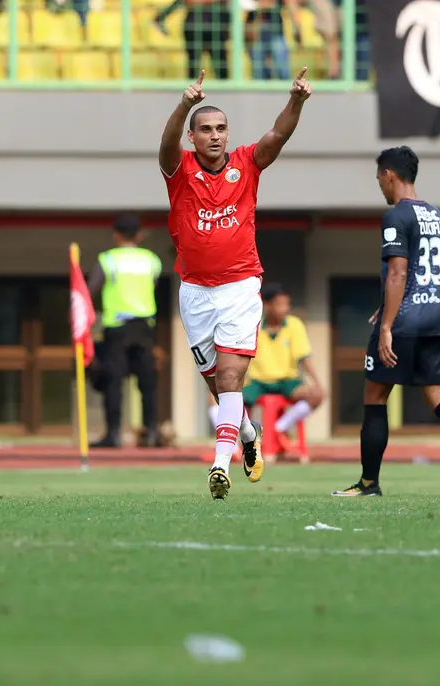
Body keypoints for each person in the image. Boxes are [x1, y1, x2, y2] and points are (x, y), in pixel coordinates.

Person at [159, 66, 312, 499]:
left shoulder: (246, 163)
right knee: (219, 386)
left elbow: (276, 137)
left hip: (241, 287)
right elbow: (166, 142)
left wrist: (296, 100)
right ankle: (248, 435)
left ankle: (219, 467)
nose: (214, 135)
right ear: (193, 137)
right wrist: (184, 105)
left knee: (230, 378)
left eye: (221, 128)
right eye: (205, 129)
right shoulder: (180, 168)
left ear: (229, 134)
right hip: (194, 292)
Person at [335, 146, 440, 498]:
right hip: (437, 315)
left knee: (375, 395)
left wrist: (387, 325)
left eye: (378, 177)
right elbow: (427, 272)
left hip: (406, 318)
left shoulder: (396, 216)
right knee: (439, 395)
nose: (379, 184)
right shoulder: (438, 217)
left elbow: (399, 270)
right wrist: (384, 307)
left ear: (389, 174)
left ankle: (368, 483)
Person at [87, 214, 163, 448]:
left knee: (113, 381)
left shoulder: (108, 260)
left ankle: (114, 434)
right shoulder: (152, 260)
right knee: (147, 382)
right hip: (144, 327)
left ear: (116, 235)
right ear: (139, 235)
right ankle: (151, 432)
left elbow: (91, 290)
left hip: (117, 327)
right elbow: (154, 284)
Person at [241, 283, 324, 450]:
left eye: (287, 304)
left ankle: (279, 427)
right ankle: (242, 445)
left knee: (317, 395)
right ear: (267, 305)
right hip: (258, 382)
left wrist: (316, 382)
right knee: (228, 401)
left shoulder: (294, 325)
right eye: (280, 304)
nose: (285, 309)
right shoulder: (252, 324)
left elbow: (304, 357)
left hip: (287, 381)